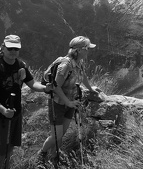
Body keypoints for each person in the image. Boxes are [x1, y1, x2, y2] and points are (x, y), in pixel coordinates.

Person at [0, 34, 51, 169]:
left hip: (15, 112)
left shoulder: (20, 65)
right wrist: (3, 110)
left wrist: (46, 88)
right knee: (0, 153)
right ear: (3, 48)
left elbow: (32, 84)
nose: (13, 52)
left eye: (16, 49)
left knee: (10, 148)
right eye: (10, 48)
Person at [36, 35, 97, 167]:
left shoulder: (79, 62)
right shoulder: (65, 65)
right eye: (87, 48)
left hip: (71, 102)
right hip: (58, 103)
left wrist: (91, 89)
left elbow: (83, 76)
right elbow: (56, 86)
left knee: (61, 133)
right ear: (79, 50)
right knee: (56, 135)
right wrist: (68, 102)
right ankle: (42, 153)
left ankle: (54, 155)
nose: (88, 51)